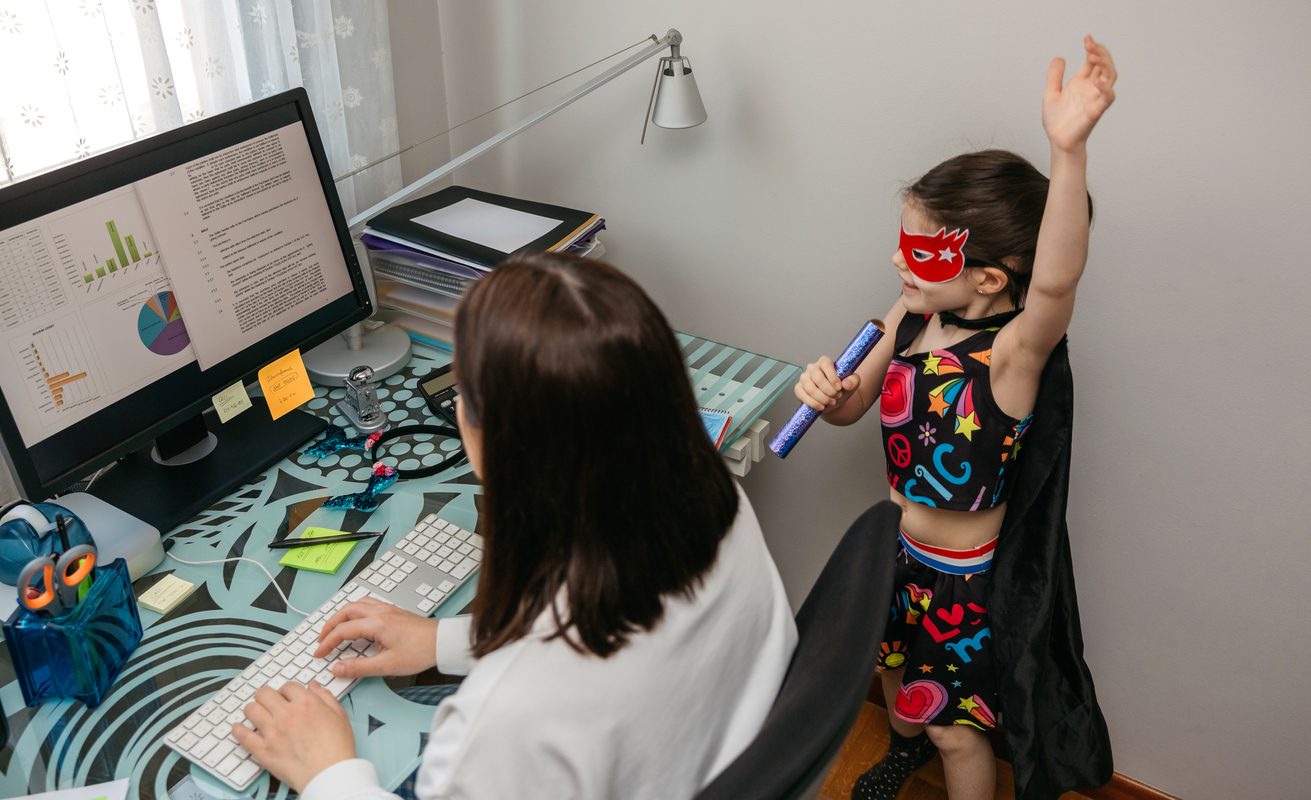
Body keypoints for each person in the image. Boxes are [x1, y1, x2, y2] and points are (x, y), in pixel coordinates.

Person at [231, 253, 798, 799]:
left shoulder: (508, 719)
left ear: (494, 445)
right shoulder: (713, 499)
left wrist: (330, 773)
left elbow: (550, 687)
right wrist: (447, 640)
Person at [793, 37, 1118, 800]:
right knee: (895, 677)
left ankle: (939, 762)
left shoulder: (1011, 356)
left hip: (961, 581)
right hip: (896, 554)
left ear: (988, 277)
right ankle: (903, 755)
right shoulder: (907, 316)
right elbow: (853, 408)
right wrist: (827, 395)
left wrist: (1066, 152)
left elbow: (1056, 281)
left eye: (923, 252)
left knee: (955, 727)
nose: (902, 264)